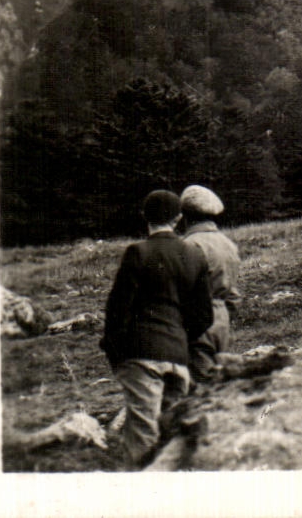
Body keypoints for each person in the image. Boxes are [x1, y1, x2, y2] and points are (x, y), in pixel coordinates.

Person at [99, 190, 214, 466]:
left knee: (142, 432)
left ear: (144, 217)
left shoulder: (137, 253)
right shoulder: (194, 254)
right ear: (179, 219)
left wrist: (115, 352)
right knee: (172, 432)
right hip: (178, 356)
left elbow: (117, 312)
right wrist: (181, 339)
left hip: (140, 356)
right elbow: (204, 315)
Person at [179, 184, 243, 382]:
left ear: (185, 216)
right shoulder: (227, 243)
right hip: (222, 318)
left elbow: (183, 289)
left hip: (198, 318)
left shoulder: (188, 245)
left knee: (202, 385)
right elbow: (234, 293)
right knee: (220, 377)